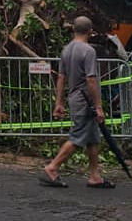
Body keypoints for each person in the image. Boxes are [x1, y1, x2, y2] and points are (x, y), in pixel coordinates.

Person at [41, 16, 115, 189]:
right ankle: (52, 167)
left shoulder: (66, 50)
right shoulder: (88, 51)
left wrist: (59, 102)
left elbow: (61, 77)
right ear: (90, 31)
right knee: (78, 136)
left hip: (74, 97)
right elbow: (91, 80)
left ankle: (95, 175)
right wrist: (98, 106)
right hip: (85, 100)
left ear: (74, 29)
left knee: (93, 138)